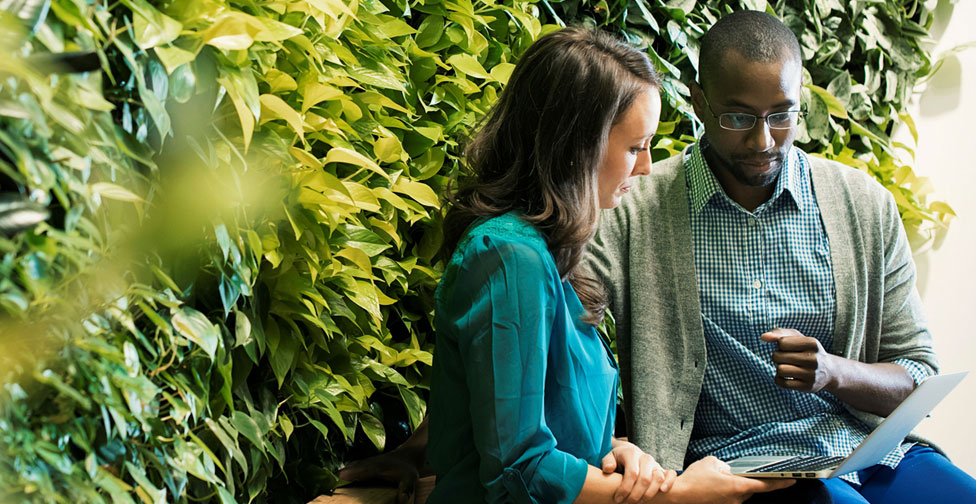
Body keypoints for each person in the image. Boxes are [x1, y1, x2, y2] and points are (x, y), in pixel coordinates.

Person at [585, 10, 976, 504]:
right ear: (699, 101)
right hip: (736, 471)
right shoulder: (633, 209)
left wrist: (835, 372)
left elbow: (918, 373)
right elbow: (571, 349)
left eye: (782, 115)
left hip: (864, 452)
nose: (763, 140)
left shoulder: (862, 203)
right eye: (739, 117)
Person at [425, 26, 795, 504]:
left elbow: (550, 424)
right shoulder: (507, 258)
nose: (644, 169)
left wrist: (620, 453)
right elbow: (518, 468)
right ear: (575, 144)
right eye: (635, 147)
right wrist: (677, 496)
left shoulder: (547, 250)